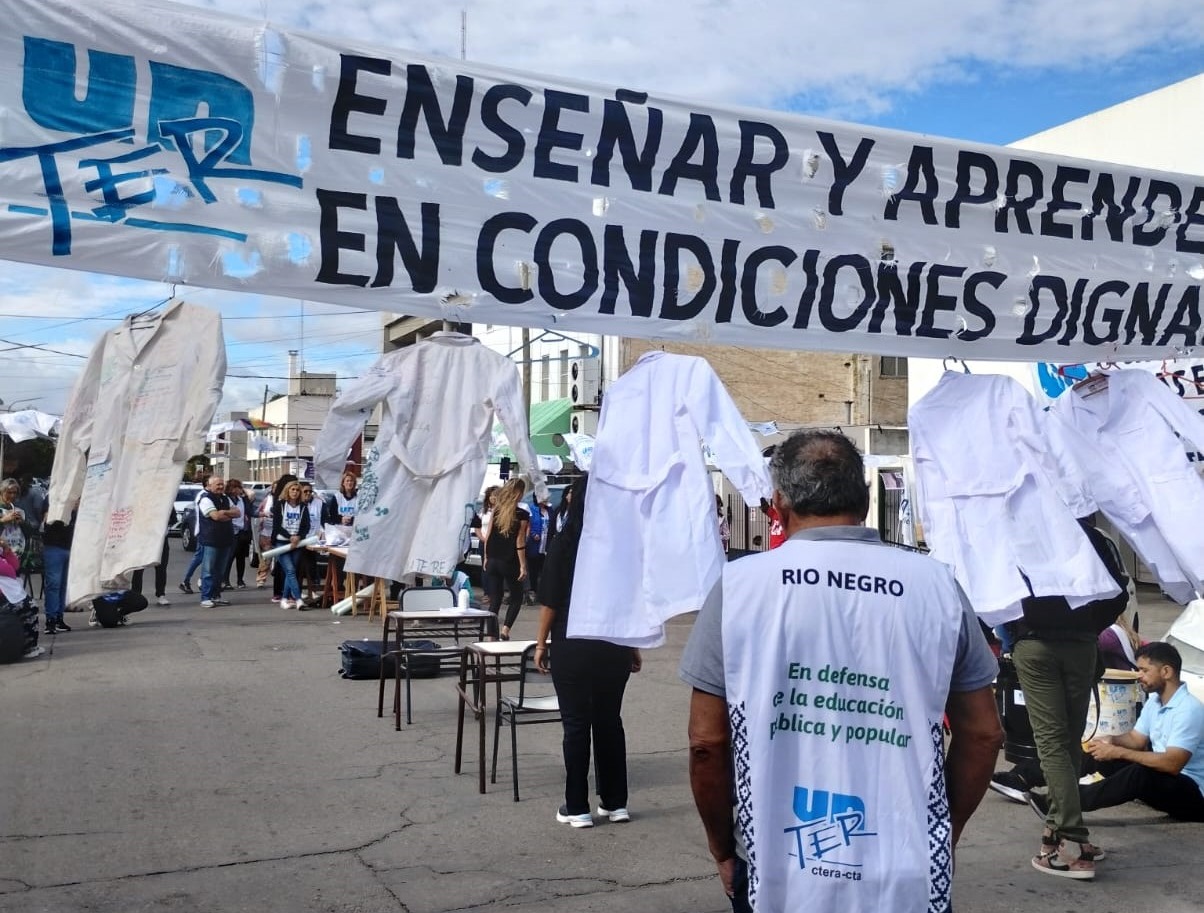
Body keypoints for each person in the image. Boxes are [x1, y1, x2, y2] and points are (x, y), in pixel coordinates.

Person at [680, 430, 1002, 913]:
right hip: (906, 865)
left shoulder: (739, 588)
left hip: (777, 866)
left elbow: (707, 743)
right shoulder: (935, 586)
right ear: (867, 499)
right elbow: (982, 734)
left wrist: (723, 848)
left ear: (780, 502)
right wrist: (940, 833)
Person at [1006, 517, 1128, 880]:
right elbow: (1118, 591)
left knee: (1052, 745)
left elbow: (993, 590)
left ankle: (1071, 841)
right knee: (1068, 744)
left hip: (1036, 643)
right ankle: (1056, 832)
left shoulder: (1019, 533)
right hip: (1080, 645)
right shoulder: (1093, 537)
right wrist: (1088, 624)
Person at [535, 474, 641, 827]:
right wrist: (632, 644)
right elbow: (631, 599)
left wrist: (540, 643)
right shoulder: (620, 547)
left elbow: (550, 600)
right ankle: (615, 802)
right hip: (614, 643)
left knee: (576, 724)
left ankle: (576, 805)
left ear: (574, 501)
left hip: (573, 639)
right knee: (610, 721)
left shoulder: (565, 543)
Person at [1029, 642, 1204, 824]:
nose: (1139, 676)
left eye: (1144, 670)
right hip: (1165, 780)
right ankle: (1024, 777)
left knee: (1138, 773)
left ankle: (1063, 805)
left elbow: (1172, 763)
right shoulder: (1155, 702)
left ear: (1166, 672)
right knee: (1099, 752)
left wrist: (1118, 751)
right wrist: (1110, 740)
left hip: (1194, 796)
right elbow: (1136, 740)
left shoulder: (1189, 710)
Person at [483, 478, 528, 641]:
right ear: (519, 494)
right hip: (509, 560)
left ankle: (490, 636)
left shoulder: (496, 511)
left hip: (493, 558)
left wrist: (486, 557)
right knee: (516, 597)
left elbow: (488, 536)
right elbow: (520, 540)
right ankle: (505, 631)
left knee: (495, 598)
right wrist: (523, 565)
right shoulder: (522, 514)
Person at [196, 476, 238, 608]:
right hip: (210, 539)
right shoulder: (205, 499)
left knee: (220, 570)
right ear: (209, 486)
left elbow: (238, 513)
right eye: (217, 484)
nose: (220, 487)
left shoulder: (225, 498)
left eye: (221, 484)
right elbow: (215, 516)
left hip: (225, 539)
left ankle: (216, 596)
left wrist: (224, 512)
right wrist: (225, 515)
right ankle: (206, 597)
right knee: (208, 570)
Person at [270, 480, 310, 610]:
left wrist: (299, 536)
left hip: (297, 543)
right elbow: (277, 526)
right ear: (287, 490)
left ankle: (285, 599)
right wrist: (290, 536)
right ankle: (298, 600)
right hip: (282, 542)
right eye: (292, 489)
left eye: (297, 490)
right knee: (291, 570)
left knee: (290, 572)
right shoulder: (280, 505)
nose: (295, 492)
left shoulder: (303, 506)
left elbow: (306, 525)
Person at [0, 539, 41, 658]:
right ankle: (27, 647)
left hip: (7, 593)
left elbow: (16, 566)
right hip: (3, 596)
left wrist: (7, 551)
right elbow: (10, 571)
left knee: (30, 606)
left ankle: (30, 645)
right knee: (28, 606)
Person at [41, 500, 75, 634]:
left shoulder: (76, 497)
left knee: (63, 585)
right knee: (53, 584)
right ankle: (51, 619)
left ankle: (59, 617)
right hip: (53, 545)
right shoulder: (52, 497)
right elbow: (46, 519)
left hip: (70, 545)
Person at [131, 508, 171, 607]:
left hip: (161, 539)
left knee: (161, 568)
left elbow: (172, 517)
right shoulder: (144, 501)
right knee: (139, 568)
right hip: (143, 538)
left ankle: (161, 594)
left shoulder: (166, 501)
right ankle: (136, 595)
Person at [223, 479, 253, 590]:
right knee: (229, 557)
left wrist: (263, 513)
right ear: (231, 489)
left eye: (240, 487)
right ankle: (225, 580)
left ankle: (240, 580)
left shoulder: (242, 500)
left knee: (241, 557)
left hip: (242, 531)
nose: (239, 490)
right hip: (231, 532)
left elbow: (250, 511)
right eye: (237, 488)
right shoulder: (226, 500)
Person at [525, 496, 550, 605]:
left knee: (545, 569)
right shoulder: (532, 509)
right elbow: (528, 525)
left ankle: (543, 593)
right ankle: (532, 592)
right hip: (534, 544)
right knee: (533, 570)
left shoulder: (549, 510)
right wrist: (533, 534)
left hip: (546, 544)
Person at [0, 478, 27, 559]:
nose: (12, 496)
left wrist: (22, 523)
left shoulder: (19, 510)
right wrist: (3, 520)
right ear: (1, 492)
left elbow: (29, 533)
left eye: (15, 493)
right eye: (9, 492)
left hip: (16, 553)